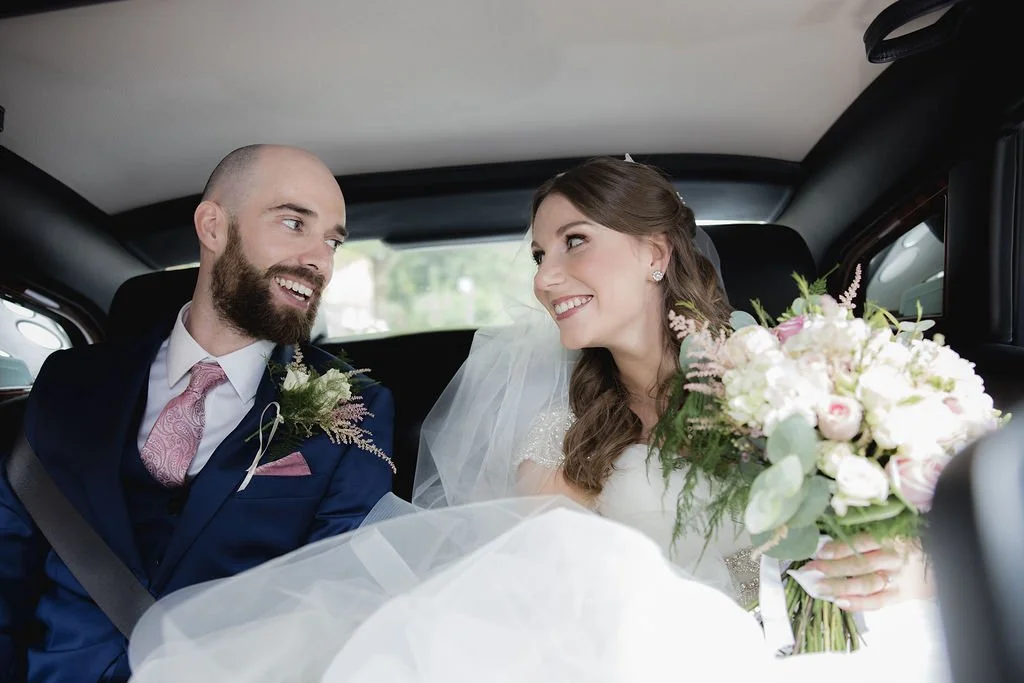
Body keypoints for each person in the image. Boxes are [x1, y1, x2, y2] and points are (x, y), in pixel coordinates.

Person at [124, 157, 946, 682]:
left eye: (573, 243)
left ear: (656, 253)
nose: (548, 277)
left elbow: (899, 522)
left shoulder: (801, 376)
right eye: (539, 255)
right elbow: (552, 599)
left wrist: (906, 565)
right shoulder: (560, 426)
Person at [0, 144, 395, 682]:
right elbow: (6, 572)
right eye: (293, 223)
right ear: (213, 227)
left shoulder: (354, 406)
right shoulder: (71, 383)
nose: (319, 259)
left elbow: (335, 606)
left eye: (331, 240)